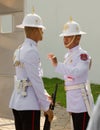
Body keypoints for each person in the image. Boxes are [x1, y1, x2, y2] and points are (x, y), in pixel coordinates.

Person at [9, 11, 53, 130]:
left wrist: (45, 95)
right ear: (34, 31)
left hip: (18, 102)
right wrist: (46, 107)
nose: (42, 31)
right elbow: (35, 80)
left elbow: (27, 77)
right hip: (29, 104)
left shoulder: (20, 49)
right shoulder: (31, 51)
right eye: (40, 29)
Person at [48, 17, 94, 130]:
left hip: (81, 102)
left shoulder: (83, 55)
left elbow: (77, 72)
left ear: (77, 38)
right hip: (72, 101)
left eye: (68, 36)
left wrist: (57, 65)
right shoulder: (68, 55)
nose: (65, 39)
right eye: (64, 36)